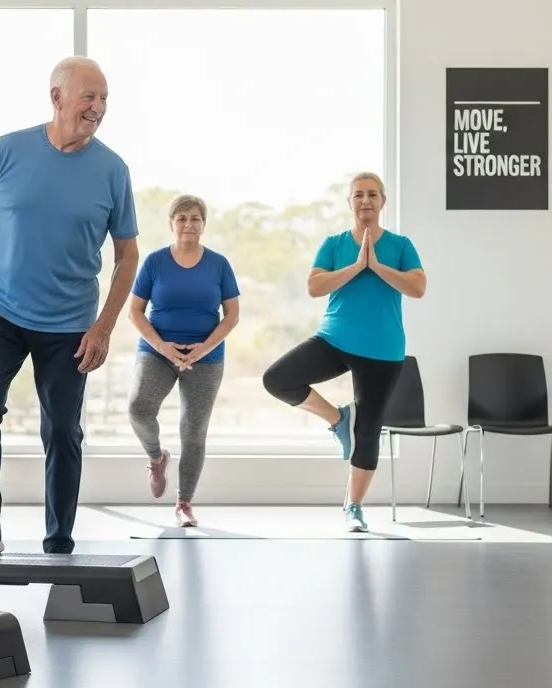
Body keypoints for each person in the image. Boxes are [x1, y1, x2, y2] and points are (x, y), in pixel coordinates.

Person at [0, 56, 139, 558]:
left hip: (72, 324)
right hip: (0, 310)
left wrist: (103, 327)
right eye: (88, 97)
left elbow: (127, 254)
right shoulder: (10, 149)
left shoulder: (112, 170)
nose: (97, 108)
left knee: (61, 428)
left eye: (104, 100)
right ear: (57, 97)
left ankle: (59, 540)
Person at [261, 172, 425, 533]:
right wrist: (357, 266)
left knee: (368, 431)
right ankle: (338, 419)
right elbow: (314, 286)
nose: (365, 201)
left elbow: (418, 287)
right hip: (334, 338)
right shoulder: (334, 244)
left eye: (372, 195)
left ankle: (353, 507)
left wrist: (378, 266)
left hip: (383, 349)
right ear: (350, 202)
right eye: (358, 195)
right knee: (277, 379)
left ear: (383, 201)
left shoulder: (400, 245)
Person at [127, 194, 240, 527]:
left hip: (205, 357)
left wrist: (204, 348)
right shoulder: (155, 262)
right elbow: (135, 310)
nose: (189, 224)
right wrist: (162, 347)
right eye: (182, 218)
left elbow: (232, 314)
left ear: (204, 224)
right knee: (139, 408)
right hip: (159, 353)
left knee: (193, 431)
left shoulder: (219, 264)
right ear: (171, 223)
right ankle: (156, 457)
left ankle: (184, 503)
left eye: (195, 218)